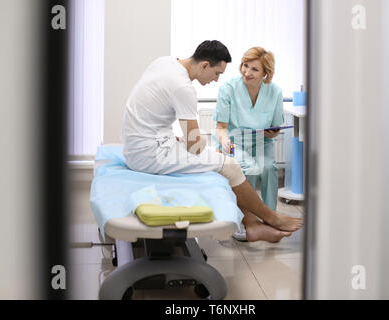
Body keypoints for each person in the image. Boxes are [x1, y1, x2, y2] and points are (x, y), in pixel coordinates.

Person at [122, 40, 302, 243]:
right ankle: (269, 218)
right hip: (149, 153)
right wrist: (213, 153)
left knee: (246, 164)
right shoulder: (183, 87)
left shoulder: (164, 63)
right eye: (217, 73)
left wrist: (177, 140)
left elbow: (152, 112)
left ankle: (254, 223)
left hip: (141, 143)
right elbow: (195, 145)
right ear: (205, 65)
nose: (216, 80)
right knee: (231, 165)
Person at [213, 47, 284, 241]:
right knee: (249, 167)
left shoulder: (275, 92)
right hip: (233, 141)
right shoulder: (229, 88)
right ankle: (245, 220)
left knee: (269, 167)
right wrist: (225, 141)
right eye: (245, 66)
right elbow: (221, 127)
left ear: (265, 73)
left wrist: (272, 133)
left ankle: (270, 219)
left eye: (254, 69)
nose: (247, 72)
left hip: (261, 141)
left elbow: (275, 128)